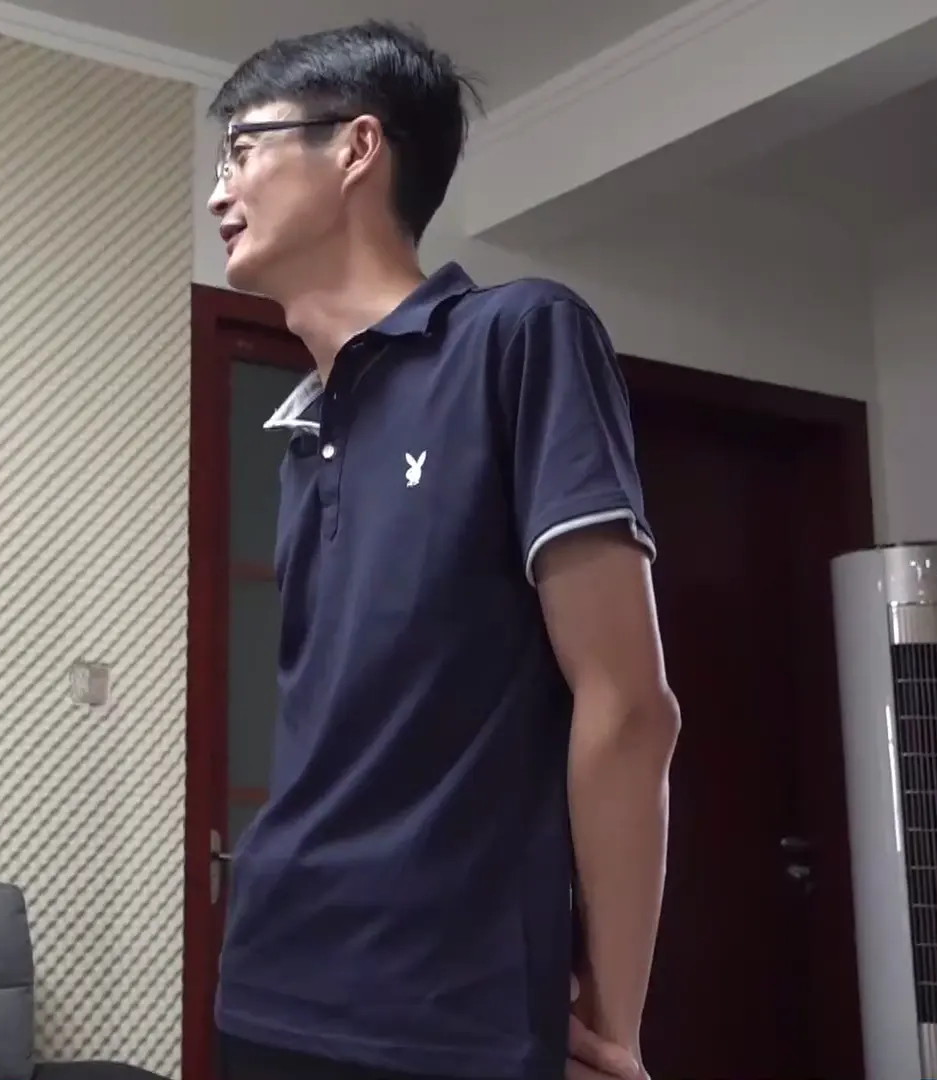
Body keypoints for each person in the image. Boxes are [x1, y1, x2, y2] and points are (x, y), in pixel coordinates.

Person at [205, 22, 680, 1080]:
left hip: (448, 1013)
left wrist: (615, 1021)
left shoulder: (518, 340)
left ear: (357, 147)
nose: (217, 191)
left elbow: (629, 706)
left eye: (241, 150)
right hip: (269, 983)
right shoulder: (305, 437)